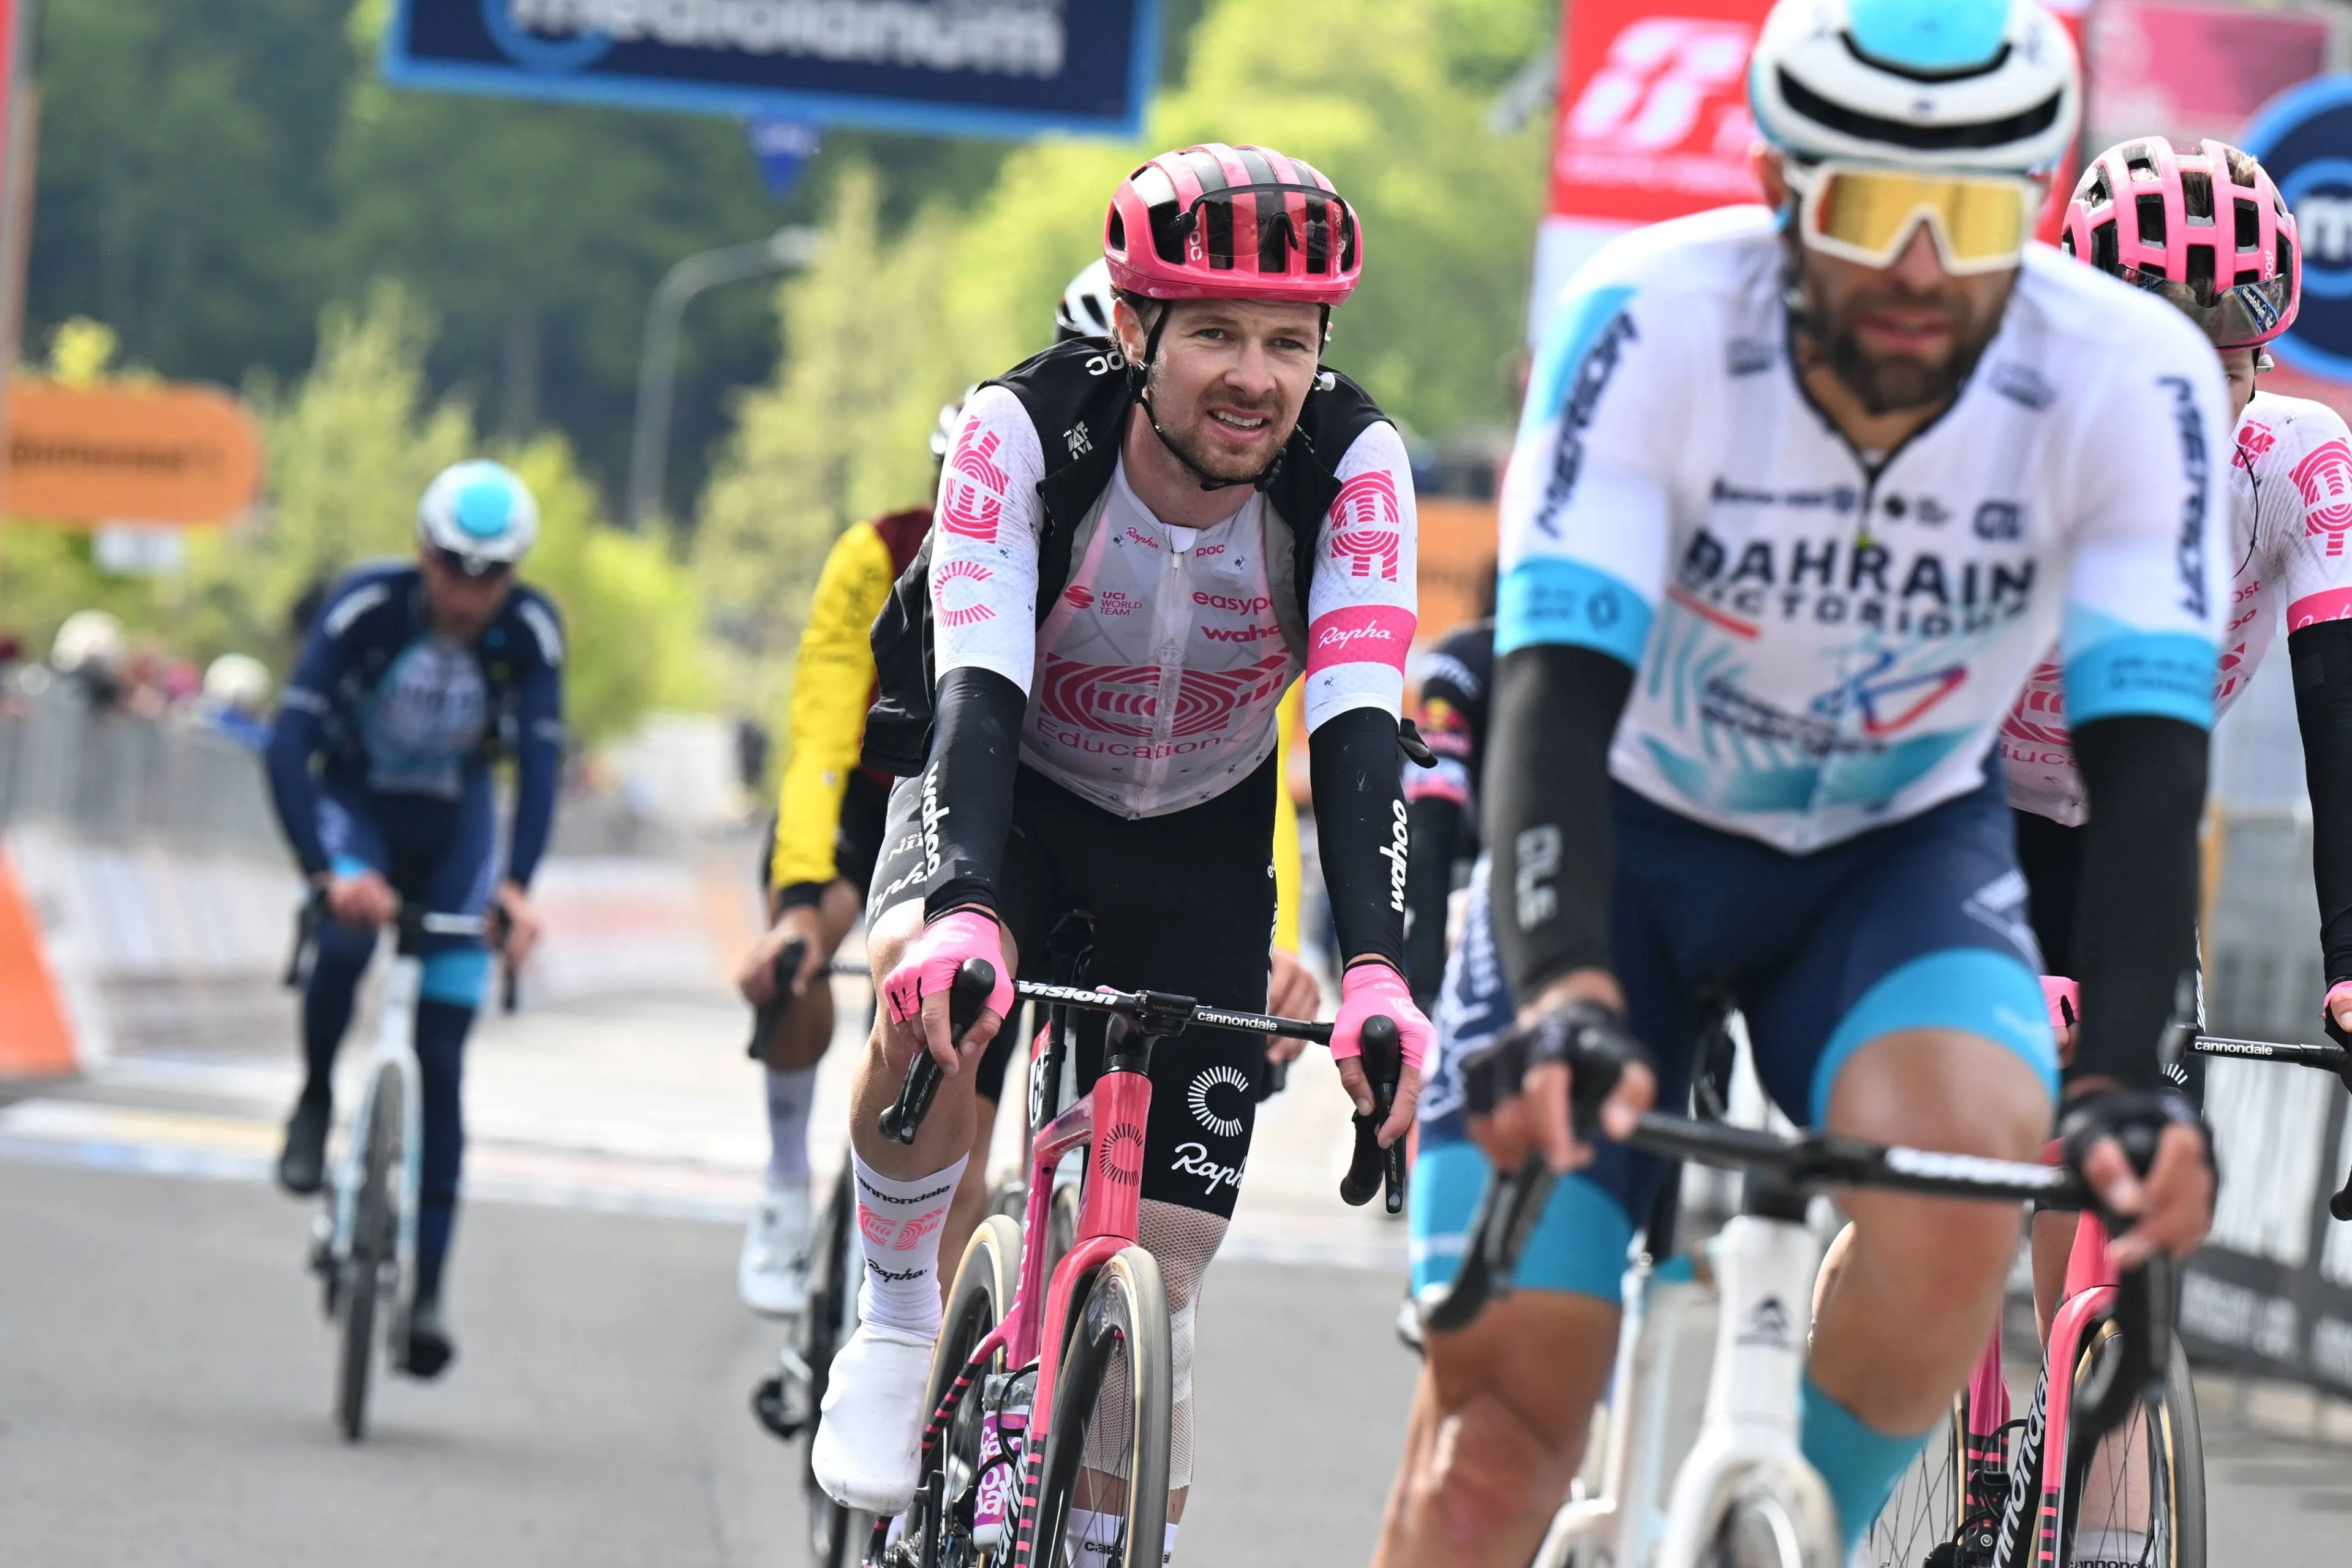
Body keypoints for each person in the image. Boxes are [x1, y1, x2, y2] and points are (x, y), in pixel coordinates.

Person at [1378, 4, 2229, 1564]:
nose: (1921, 268)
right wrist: (1561, 983)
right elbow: (1552, 690)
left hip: (1891, 849)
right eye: (1872, 208)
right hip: (1624, 837)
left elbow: (2150, 763)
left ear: (2039, 207)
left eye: (1973, 219)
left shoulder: (2130, 373)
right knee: (1495, 1446)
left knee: (1978, 1160)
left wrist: (2130, 1071)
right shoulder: (1650, 317)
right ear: (1778, 184)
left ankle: (1788, 1537)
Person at [810, 144, 1435, 1563]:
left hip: (1200, 825)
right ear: (1137, 329)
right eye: (1215, 333)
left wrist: (1380, 973)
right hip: (1010, 789)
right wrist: (963, 909)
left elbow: (1357, 724)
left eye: (1290, 342)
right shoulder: (1025, 430)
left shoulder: (1355, 464)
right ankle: (897, 1317)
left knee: (1166, 1259)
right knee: (929, 987)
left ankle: (1097, 1526)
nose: (1255, 378)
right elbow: (974, 691)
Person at [2001, 135, 2318, 1346]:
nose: (2183, 405)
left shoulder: (2294, 465)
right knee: (1932, 1195)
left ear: (2262, 360)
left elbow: (2337, 710)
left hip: (2125, 821)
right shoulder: (2005, 444)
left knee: (2117, 1186)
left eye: (2218, 366)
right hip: (1968, 815)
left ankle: (2078, 1436)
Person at [266, 459, 560, 1379]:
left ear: (513, 574)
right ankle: (317, 1093)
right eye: (451, 568)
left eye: (492, 575)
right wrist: (323, 873)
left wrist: (518, 888)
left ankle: (426, 1292)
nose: (469, 594)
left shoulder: (530, 630)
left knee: (443, 1057)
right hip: (359, 809)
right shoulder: (364, 605)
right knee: (347, 936)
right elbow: (288, 741)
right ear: (421, 552)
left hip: (453, 829)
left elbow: (540, 765)